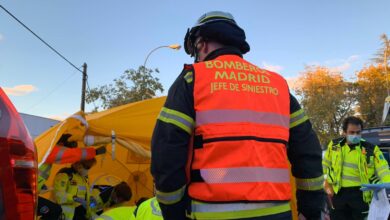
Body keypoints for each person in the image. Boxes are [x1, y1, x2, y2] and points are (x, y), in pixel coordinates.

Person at [151, 11, 325, 220]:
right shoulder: (277, 85)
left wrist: (174, 213)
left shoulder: (193, 80)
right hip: (278, 214)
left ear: (201, 44)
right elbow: (308, 152)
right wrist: (311, 209)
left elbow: (166, 154)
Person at [323, 116, 390, 219]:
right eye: (352, 132)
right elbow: (324, 165)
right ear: (344, 132)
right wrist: (323, 185)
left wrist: (388, 182)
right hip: (338, 194)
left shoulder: (371, 149)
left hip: (361, 194)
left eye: (358, 132)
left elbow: (383, 169)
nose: (355, 135)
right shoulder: (334, 146)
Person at [37, 134, 106, 220]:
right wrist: (95, 152)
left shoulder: (84, 179)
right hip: (66, 215)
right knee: (53, 210)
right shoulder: (64, 173)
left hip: (79, 214)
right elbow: (59, 195)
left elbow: (87, 197)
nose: (87, 170)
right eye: (86, 166)